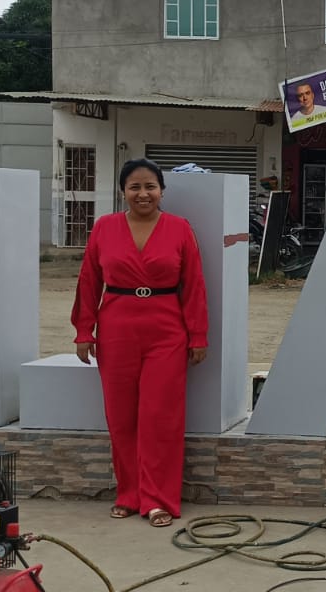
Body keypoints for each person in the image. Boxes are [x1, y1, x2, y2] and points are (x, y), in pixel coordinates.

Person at [71, 159, 210, 528]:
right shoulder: (105, 228)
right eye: (135, 187)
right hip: (116, 329)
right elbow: (89, 281)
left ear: (162, 191)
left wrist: (198, 335)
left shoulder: (179, 229)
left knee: (160, 417)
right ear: (123, 192)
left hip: (166, 331)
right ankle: (129, 494)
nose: (143, 194)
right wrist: (84, 331)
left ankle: (158, 499)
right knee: (121, 417)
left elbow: (194, 286)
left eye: (150, 186)